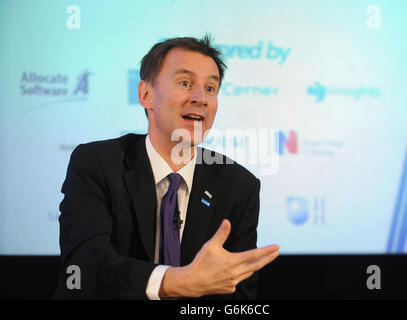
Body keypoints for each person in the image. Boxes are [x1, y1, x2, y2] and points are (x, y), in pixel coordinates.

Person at [54, 35, 279, 300]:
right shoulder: (97, 163)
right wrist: (175, 282)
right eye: (185, 83)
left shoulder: (239, 186)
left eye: (210, 88)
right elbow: (83, 269)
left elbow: (239, 298)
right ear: (146, 95)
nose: (201, 98)